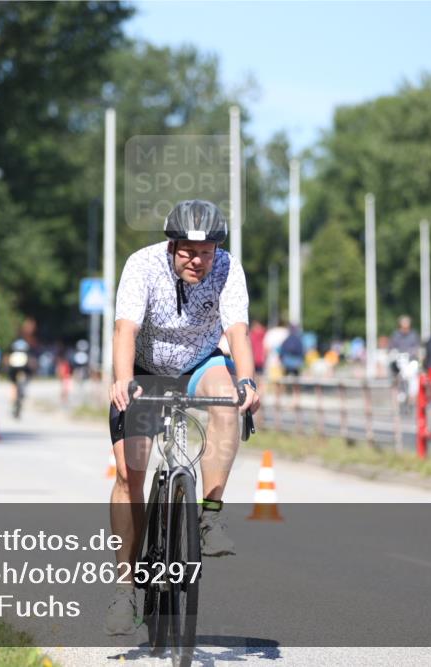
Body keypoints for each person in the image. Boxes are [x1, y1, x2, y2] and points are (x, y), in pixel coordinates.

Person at [104, 199, 260, 635]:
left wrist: (247, 381)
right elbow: (125, 330)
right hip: (144, 370)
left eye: (206, 252)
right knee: (127, 474)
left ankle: (209, 513)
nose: (198, 261)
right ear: (171, 247)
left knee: (229, 399)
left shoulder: (228, 268)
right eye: (189, 252)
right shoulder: (142, 265)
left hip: (198, 363)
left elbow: (237, 331)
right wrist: (122, 381)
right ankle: (124, 590)